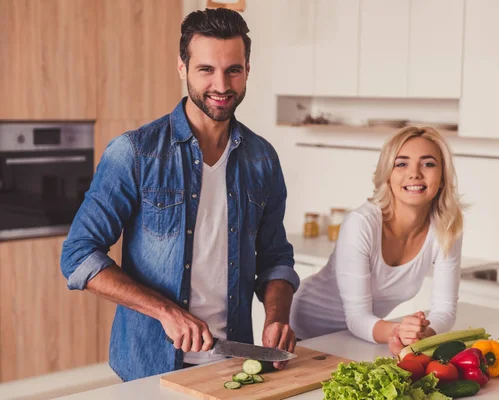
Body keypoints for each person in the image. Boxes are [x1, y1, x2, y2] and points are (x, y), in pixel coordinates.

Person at [60, 8, 299, 382]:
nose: (221, 85)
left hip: (234, 364)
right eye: (206, 69)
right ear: (182, 67)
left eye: (233, 70)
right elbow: (77, 256)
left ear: (248, 70)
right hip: (148, 367)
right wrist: (165, 312)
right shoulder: (135, 153)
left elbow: (275, 258)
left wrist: (276, 316)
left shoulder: (262, 159)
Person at [290, 126, 464, 355]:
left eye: (428, 164)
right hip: (304, 330)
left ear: (442, 178)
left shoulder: (446, 228)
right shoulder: (361, 224)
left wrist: (421, 334)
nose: (415, 174)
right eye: (401, 164)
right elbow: (357, 317)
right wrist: (399, 331)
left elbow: (445, 310)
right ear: (388, 174)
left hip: (360, 338)